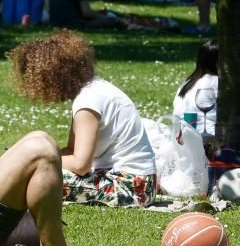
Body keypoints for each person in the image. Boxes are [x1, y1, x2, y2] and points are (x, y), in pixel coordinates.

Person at [9, 31, 155, 207]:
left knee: (38, 180)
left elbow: (80, 164)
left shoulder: (88, 101)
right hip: (139, 184)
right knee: (33, 174)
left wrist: (30, 163)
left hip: (133, 188)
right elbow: (72, 150)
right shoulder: (91, 91)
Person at [174, 39, 240, 138]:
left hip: (184, 139)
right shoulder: (223, 83)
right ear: (221, 63)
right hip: (212, 139)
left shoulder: (186, 84)